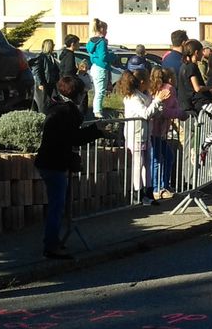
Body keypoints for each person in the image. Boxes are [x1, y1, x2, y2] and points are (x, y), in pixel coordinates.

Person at [34, 76, 102, 259]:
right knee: (57, 205)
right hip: (54, 162)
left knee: (57, 203)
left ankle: (53, 241)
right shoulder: (67, 112)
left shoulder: (56, 107)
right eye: (82, 93)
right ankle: (51, 245)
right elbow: (74, 138)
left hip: (49, 161)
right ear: (77, 94)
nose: (84, 97)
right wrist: (97, 130)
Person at [177, 39, 212, 192]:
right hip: (200, 104)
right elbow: (196, 87)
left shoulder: (184, 67)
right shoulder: (191, 66)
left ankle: (204, 149)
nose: (203, 55)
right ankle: (204, 146)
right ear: (196, 52)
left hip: (197, 105)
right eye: (201, 52)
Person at [117, 70, 172, 205]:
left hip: (145, 134)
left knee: (147, 164)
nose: (150, 82)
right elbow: (145, 113)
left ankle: (148, 191)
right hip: (135, 135)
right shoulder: (133, 97)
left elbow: (153, 113)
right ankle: (138, 194)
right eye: (148, 79)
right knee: (138, 165)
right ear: (142, 82)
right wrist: (157, 100)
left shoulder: (145, 95)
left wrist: (159, 103)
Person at [148, 66, 183, 199]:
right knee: (158, 159)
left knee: (167, 156)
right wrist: (180, 113)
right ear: (170, 77)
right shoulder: (168, 89)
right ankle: (158, 188)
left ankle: (164, 185)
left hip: (156, 130)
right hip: (157, 130)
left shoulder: (154, 88)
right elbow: (166, 110)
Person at [85, 18, 115, 118]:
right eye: (106, 30)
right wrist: (113, 56)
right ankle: (97, 111)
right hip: (101, 68)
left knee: (98, 90)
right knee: (100, 91)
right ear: (101, 29)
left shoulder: (91, 42)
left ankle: (97, 109)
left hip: (95, 67)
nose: (106, 32)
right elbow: (104, 57)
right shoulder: (101, 42)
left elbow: (93, 56)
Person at [33, 38, 60, 112]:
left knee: (51, 100)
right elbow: (37, 70)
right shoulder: (41, 57)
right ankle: (43, 115)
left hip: (52, 82)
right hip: (45, 82)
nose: (54, 46)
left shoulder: (51, 56)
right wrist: (40, 83)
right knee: (44, 101)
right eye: (53, 45)